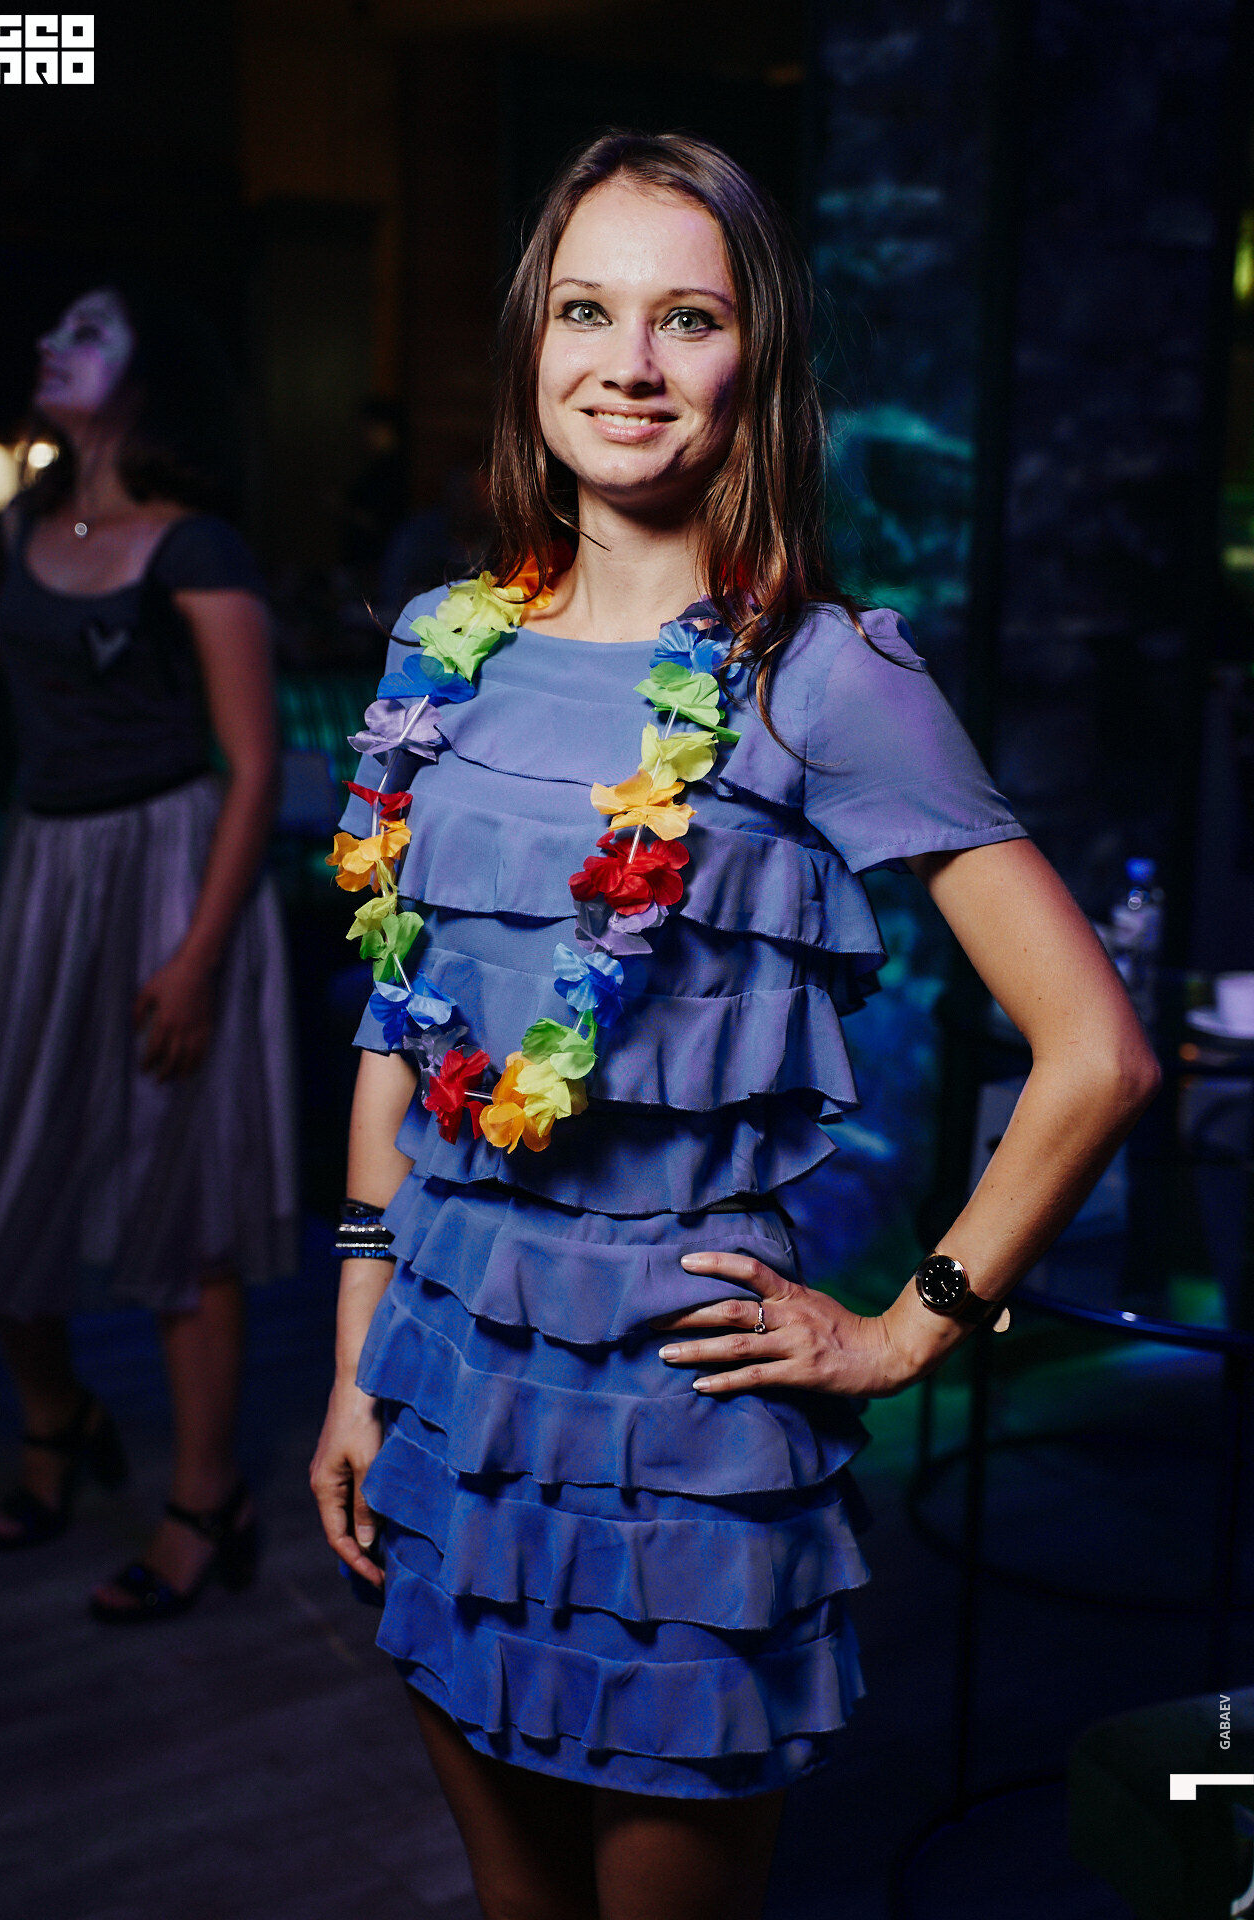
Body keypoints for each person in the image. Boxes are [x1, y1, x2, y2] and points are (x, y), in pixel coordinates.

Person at [311, 133, 1160, 1920]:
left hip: (682, 1437)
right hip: (449, 1391)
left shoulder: (826, 677)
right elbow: (402, 1023)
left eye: (685, 319)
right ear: (533, 344)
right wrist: (354, 1356)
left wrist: (909, 1333)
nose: (628, 363)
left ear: (753, 362)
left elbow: (1097, 1050)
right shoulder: (439, 648)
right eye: (586, 311)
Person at [0, 280, 298, 1620]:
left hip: (172, 877)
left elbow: (255, 765)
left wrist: (199, 958)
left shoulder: (195, 547)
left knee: (183, 1197)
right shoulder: (18, 526)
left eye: (89, 332)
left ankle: (205, 1500)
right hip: (46, 872)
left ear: (149, 378)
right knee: (3, 1179)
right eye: (55, 326)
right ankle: (59, 1420)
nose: (53, 342)